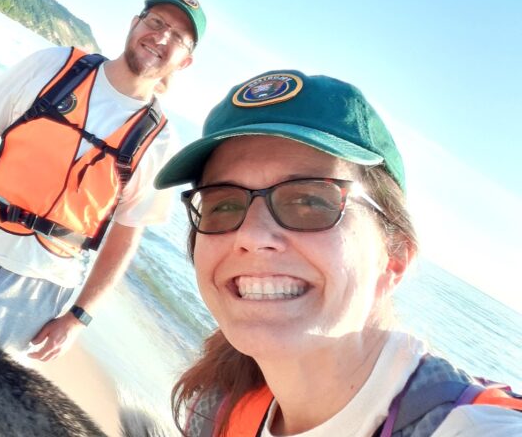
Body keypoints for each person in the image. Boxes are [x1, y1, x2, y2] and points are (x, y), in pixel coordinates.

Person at [154, 70, 522, 436]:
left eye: (310, 201)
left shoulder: (469, 427)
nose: (251, 235)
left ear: (392, 260)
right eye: (224, 204)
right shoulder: (216, 404)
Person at [0, 0, 206, 361]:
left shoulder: (159, 140)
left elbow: (126, 235)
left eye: (178, 37)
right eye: (156, 22)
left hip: (42, 284)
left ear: (186, 61)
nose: (161, 38)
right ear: (135, 23)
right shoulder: (55, 66)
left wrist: (79, 317)